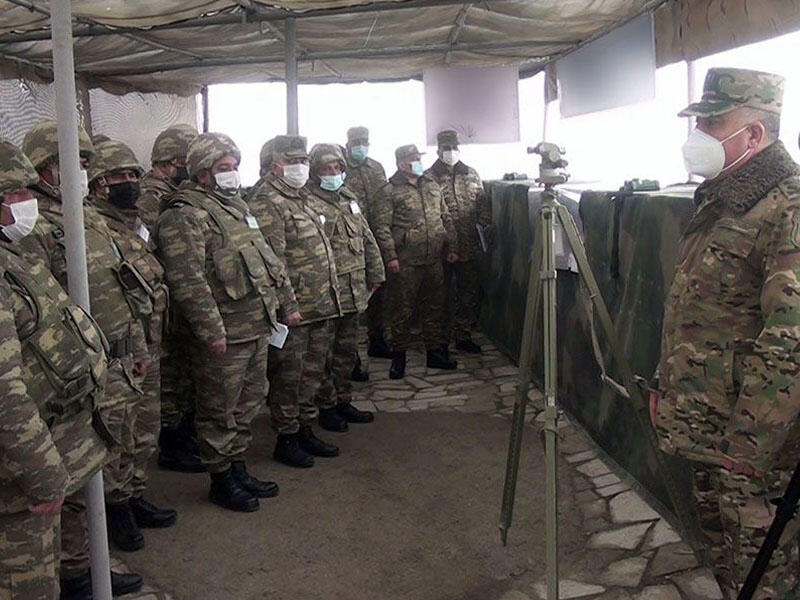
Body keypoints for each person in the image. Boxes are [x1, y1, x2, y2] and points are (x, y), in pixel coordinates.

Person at [652, 67, 800, 599]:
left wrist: (750, 445)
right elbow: (689, 306)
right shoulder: (721, 199)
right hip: (706, 424)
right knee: (725, 559)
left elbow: (790, 338)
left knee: (766, 573)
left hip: (754, 447)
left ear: (754, 134)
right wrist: (664, 385)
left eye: (713, 123)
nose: (699, 136)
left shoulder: (788, 207)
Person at [0, 139, 136, 600]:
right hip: (18, 474)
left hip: (41, 445)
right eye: (15, 193)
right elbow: (5, 391)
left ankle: (78, 576)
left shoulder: (13, 258)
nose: (29, 201)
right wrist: (43, 474)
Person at [157, 132, 288, 513]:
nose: (232, 173)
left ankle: (237, 466)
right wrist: (211, 330)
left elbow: (263, 263)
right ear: (202, 173)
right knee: (220, 408)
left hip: (255, 325)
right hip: (225, 332)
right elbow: (188, 281)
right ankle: (221, 479)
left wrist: (278, 307)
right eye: (223, 167)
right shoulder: (184, 215)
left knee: (249, 400)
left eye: (234, 166)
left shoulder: (234, 206)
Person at [87, 140, 177, 533]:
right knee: (118, 433)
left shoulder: (132, 224)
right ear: (98, 184)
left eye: (132, 175)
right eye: (118, 177)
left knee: (145, 428)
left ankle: (135, 493)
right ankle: (116, 506)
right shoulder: (91, 228)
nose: (129, 183)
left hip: (147, 344)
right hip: (118, 352)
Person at [247, 135, 342, 468]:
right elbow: (272, 260)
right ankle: (286, 437)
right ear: (275, 165)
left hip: (319, 303)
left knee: (312, 371)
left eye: (303, 161)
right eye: (292, 161)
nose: (300, 166)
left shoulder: (301, 197)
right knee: (290, 375)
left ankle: (304, 428)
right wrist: (287, 305)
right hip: (296, 308)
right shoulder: (267, 201)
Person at [305, 143, 385, 431]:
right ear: (315, 171)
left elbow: (366, 237)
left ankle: (343, 399)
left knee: (347, 350)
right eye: (327, 169)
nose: (333, 173)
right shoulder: (307, 202)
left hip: (353, 289)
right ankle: (326, 405)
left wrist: (376, 271)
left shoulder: (348, 197)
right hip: (326, 292)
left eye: (337, 168)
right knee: (323, 354)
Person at [139, 124, 203, 474]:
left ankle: (181, 435)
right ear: (171, 162)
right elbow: (147, 246)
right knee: (170, 375)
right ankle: (171, 444)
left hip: (175, 297)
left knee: (180, 372)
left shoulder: (174, 192)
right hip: (161, 299)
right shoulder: (152, 196)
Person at [372, 144, 458, 379]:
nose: (419, 162)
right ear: (402, 164)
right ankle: (399, 358)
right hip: (406, 262)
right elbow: (381, 228)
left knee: (434, 308)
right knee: (402, 310)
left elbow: (445, 217)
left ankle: (434, 353)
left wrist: (452, 246)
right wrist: (390, 256)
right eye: (414, 159)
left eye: (419, 158)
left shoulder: (431, 185)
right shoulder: (389, 191)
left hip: (434, 259)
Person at [425, 129, 491, 353]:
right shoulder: (428, 177)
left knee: (468, 292)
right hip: (441, 247)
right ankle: (440, 339)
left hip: (469, 245)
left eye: (454, 147)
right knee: (440, 294)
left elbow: (482, 205)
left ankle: (463, 335)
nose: (451, 151)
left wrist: (482, 227)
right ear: (438, 150)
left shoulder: (470, 173)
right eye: (446, 148)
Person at [344, 126, 392, 361]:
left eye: (365, 141)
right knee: (352, 296)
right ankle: (350, 354)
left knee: (379, 292)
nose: (361, 146)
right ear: (348, 144)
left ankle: (377, 340)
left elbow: (385, 200)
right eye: (356, 142)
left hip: (376, 238)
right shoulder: (340, 168)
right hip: (350, 241)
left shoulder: (377, 168)